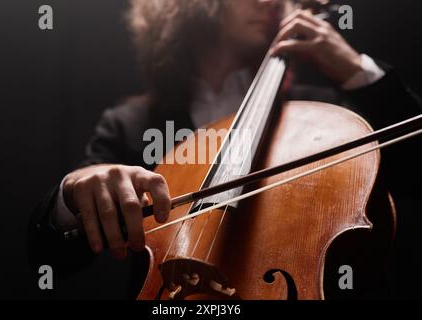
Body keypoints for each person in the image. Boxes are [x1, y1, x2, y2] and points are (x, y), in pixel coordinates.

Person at [28, 0, 422, 297]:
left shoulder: (324, 119)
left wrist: (356, 70)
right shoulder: (131, 124)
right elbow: (49, 257)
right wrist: (75, 191)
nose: (269, 1)